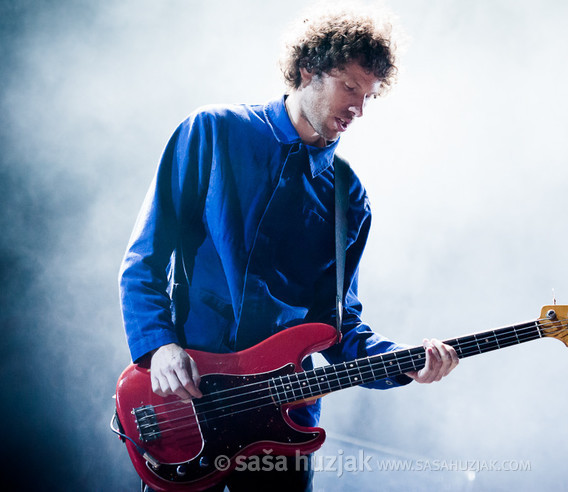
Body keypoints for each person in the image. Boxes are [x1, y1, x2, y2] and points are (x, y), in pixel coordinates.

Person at [119, 7, 458, 491]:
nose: (359, 109)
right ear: (308, 71)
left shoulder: (349, 198)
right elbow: (145, 260)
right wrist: (160, 346)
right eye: (350, 88)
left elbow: (339, 325)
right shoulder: (212, 132)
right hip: (188, 400)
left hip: (282, 423)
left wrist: (406, 363)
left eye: (369, 96)